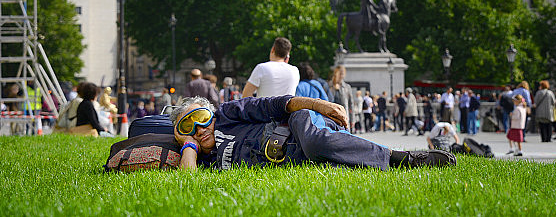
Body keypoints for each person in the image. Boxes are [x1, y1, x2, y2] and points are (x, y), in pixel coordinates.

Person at [171, 95, 456, 171]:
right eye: (188, 126)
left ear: (212, 114)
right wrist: (187, 147)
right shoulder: (198, 160)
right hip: (292, 155)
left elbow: (276, 103)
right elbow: (188, 181)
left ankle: (402, 158)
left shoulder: (228, 114)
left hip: (296, 126)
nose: (198, 128)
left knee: (316, 143)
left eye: (201, 118)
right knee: (326, 160)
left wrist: (322, 105)